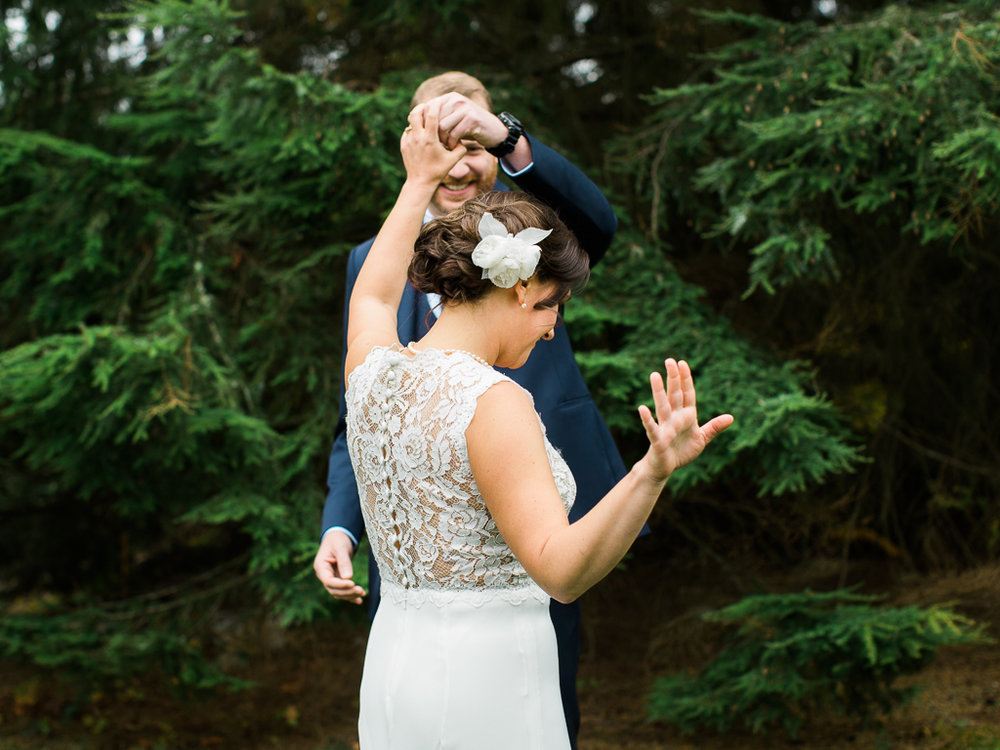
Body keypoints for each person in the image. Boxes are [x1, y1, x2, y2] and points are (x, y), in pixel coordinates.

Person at [343, 102, 732, 749]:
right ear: (521, 289)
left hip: (394, 663)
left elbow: (375, 294)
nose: (553, 327)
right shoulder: (494, 402)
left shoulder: (373, 370)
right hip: (486, 683)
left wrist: (418, 182)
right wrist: (651, 469)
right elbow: (561, 571)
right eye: (551, 306)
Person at [314, 71, 627, 747]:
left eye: (473, 143)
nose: (458, 161)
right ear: (412, 147)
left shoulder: (532, 235)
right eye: (439, 141)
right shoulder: (372, 260)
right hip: (432, 562)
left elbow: (597, 228)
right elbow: (357, 417)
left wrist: (509, 138)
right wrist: (339, 526)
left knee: (552, 702)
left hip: (545, 521)